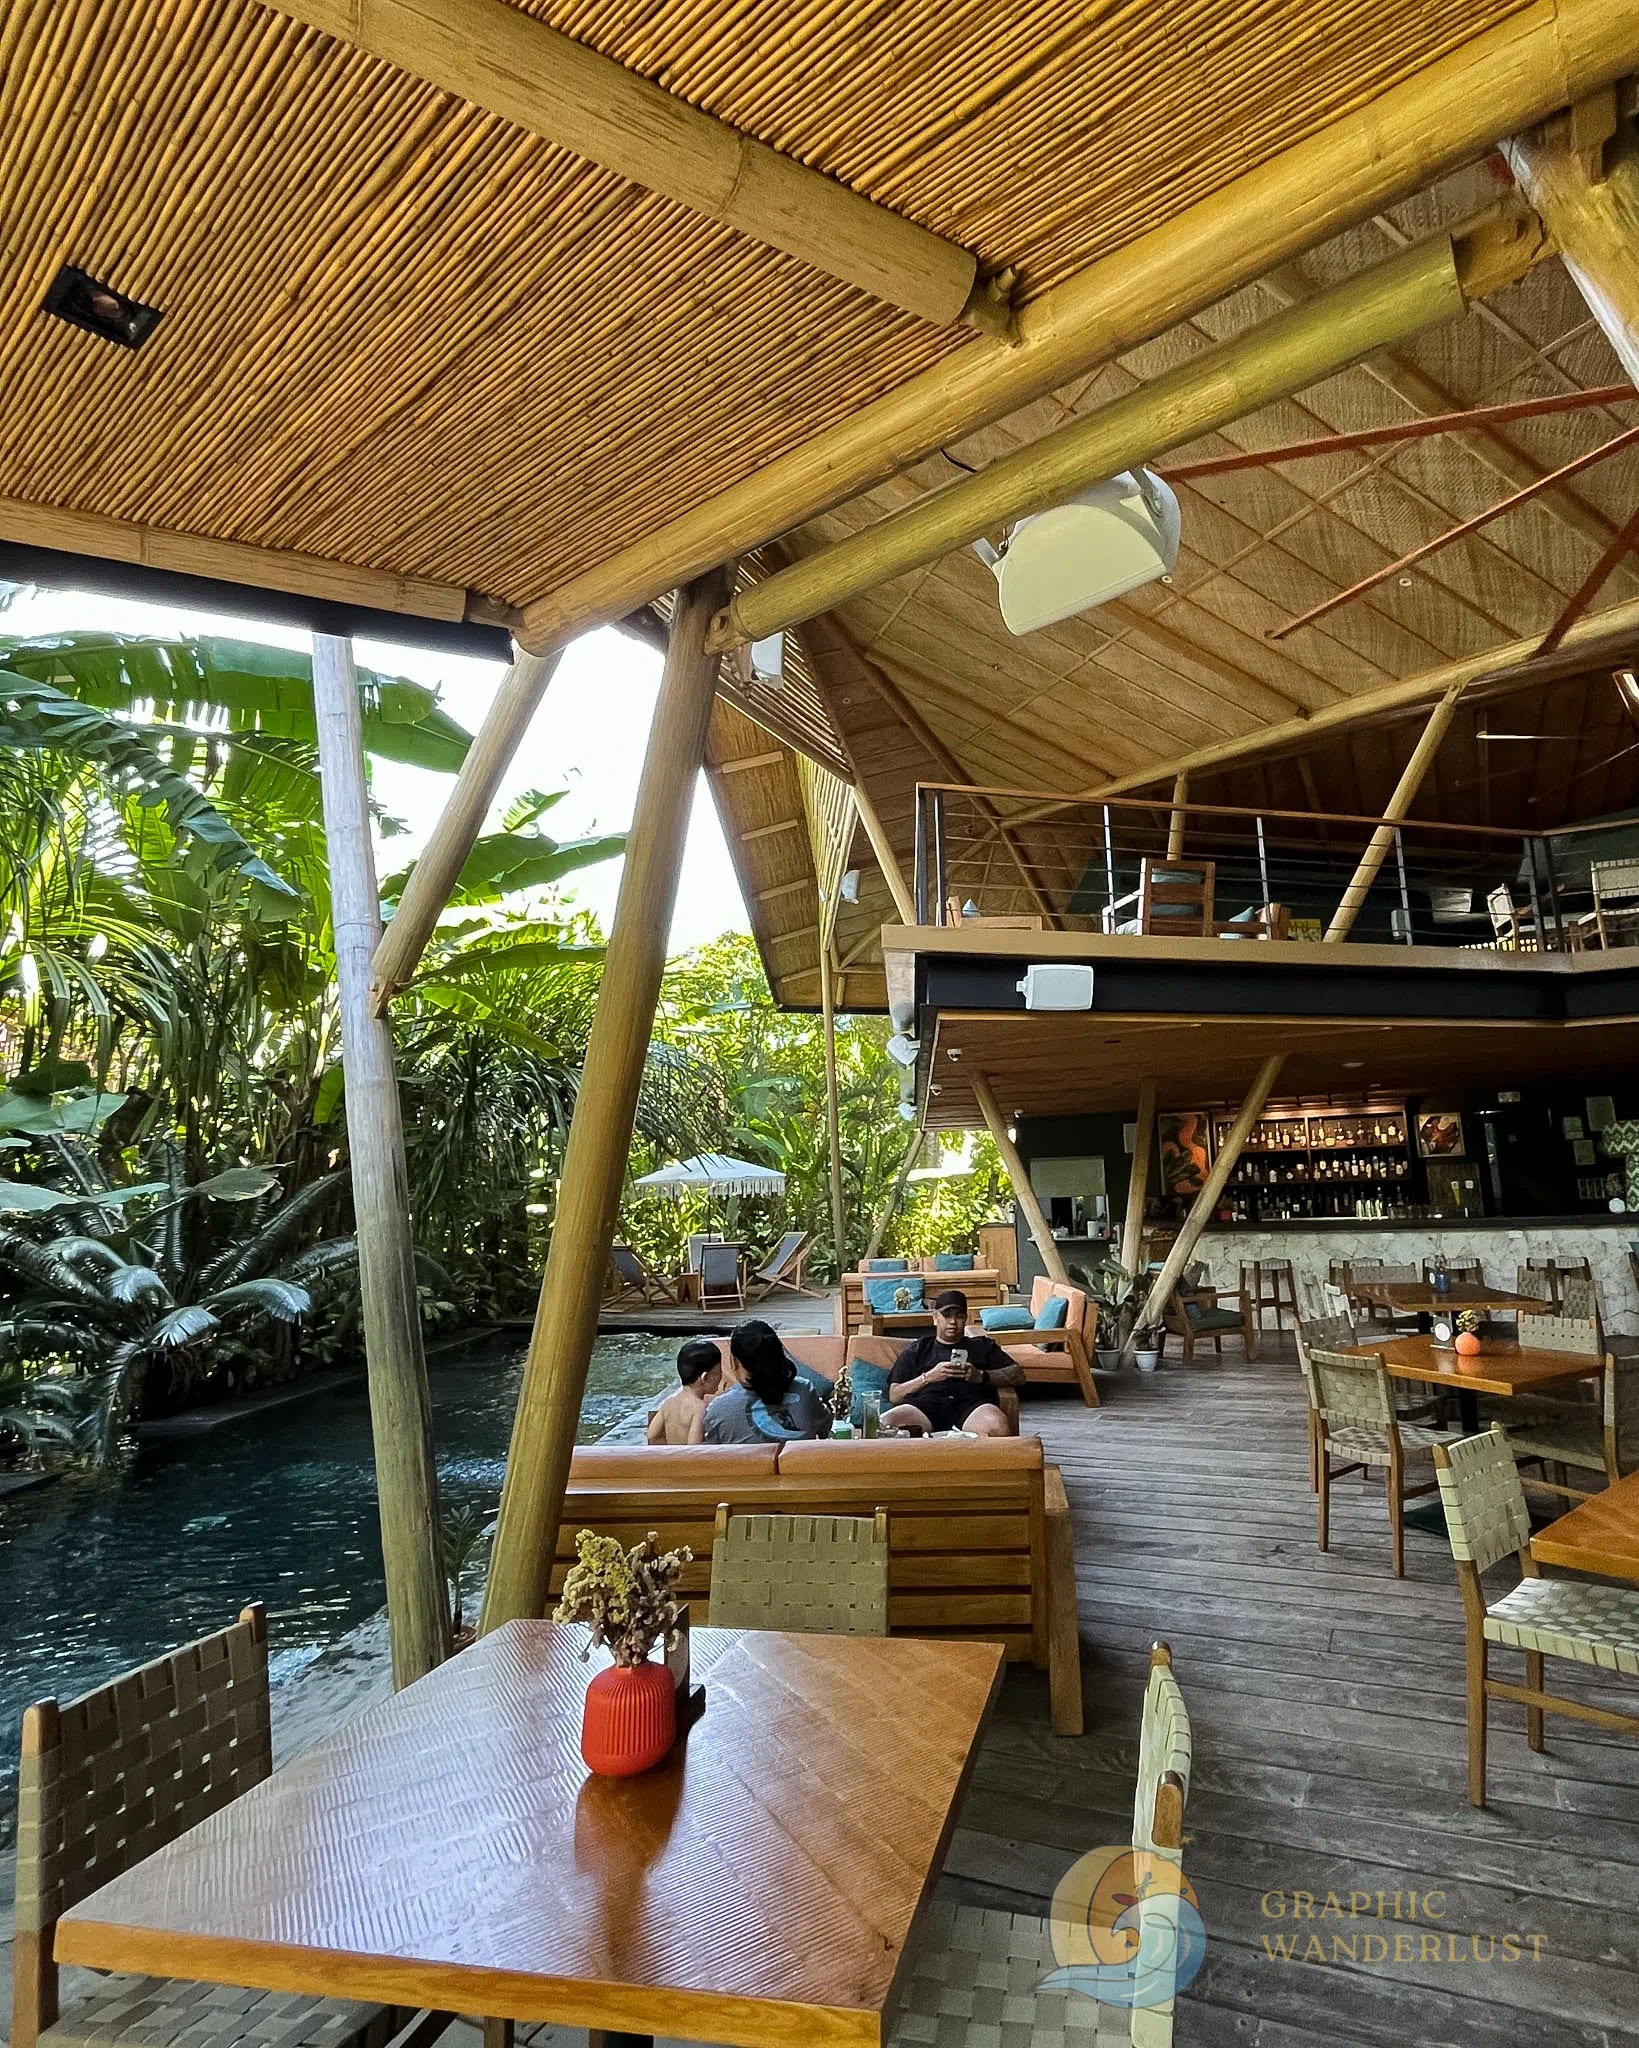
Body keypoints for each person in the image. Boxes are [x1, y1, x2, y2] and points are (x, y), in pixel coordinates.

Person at [883, 1290, 1023, 1437]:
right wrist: (928, 1378)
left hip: (971, 1406)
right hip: (925, 1407)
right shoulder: (919, 1348)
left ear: (966, 1319)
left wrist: (981, 1376)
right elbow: (894, 1395)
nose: (953, 1322)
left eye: (959, 1316)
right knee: (887, 1423)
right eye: (947, 1315)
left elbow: (1018, 1374)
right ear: (935, 1318)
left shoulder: (982, 1346)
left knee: (998, 1426)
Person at [705, 1318, 831, 1443]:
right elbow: (826, 1430)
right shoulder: (805, 1392)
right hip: (800, 1463)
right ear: (780, 1356)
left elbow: (711, 1457)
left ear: (734, 1361)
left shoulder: (718, 1410)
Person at [646, 1338, 724, 1445]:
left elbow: (652, 1435)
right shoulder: (699, 1407)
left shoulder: (669, 1402)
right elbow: (693, 1446)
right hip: (688, 1459)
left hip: (674, 1457)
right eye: (719, 1372)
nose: (722, 1376)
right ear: (704, 1377)